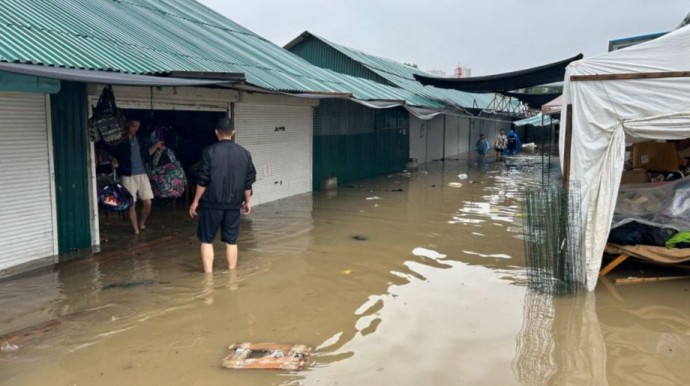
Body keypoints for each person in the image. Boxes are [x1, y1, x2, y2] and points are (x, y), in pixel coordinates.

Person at [189, 117, 256, 273]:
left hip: (211, 205)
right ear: (233, 132)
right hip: (233, 205)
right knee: (231, 242)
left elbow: (203, 180)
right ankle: (232, 276)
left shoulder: (209, 152)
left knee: (206, 240)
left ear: (216, 132)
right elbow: (248, 182)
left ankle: (208, 278)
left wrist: (195, 201)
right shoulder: (245, 154)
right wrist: (248, 202)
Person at [110, 119, 164, 234]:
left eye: (138, 127)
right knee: (131, 204)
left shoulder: (140, 140)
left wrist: (156, 146)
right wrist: (113, 160)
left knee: (148, 203)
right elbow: (112, 154)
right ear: (128, 125)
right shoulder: (120, 141)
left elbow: (146, 154)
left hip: (142, 174)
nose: (136, 129)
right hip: (127, 175)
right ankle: (136, 230)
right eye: (133, 126)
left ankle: (141, 223)